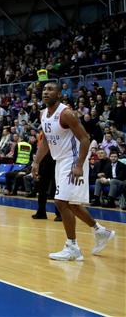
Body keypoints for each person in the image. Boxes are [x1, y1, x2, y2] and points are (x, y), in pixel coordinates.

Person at [32, 81, 115, 261]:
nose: (46, 92)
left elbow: (85, 139)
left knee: (60, 201)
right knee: (71, 204)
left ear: (59, 94)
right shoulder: (42, 114)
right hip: (60, 161)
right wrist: (36, 162)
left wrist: (78, 164)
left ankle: (72, 247)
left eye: (50, 89)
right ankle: (100, 231)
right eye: (44, 89)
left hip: (73, 159)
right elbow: (46, 141)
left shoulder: (66, 113)